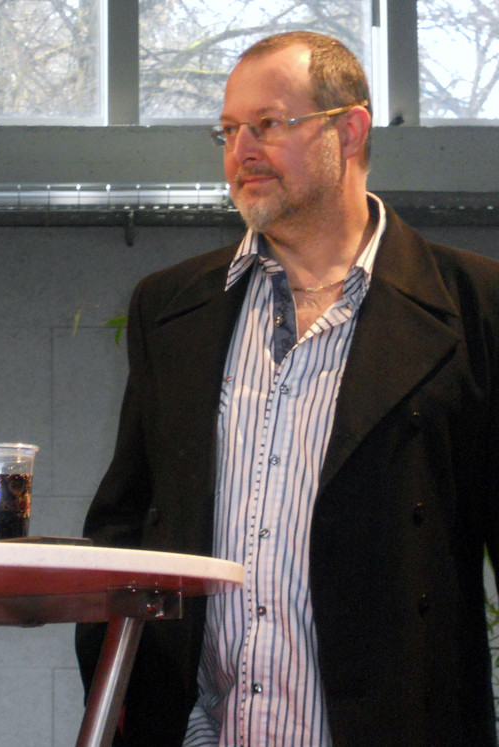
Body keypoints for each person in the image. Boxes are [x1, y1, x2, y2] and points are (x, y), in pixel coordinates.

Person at [76, 31, 499, 747]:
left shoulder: (473, 306)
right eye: (228, 130)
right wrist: (118, 694)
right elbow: (124, 529)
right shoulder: (171, 308)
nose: (240, 151)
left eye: (268, 124)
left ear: (350, 131)